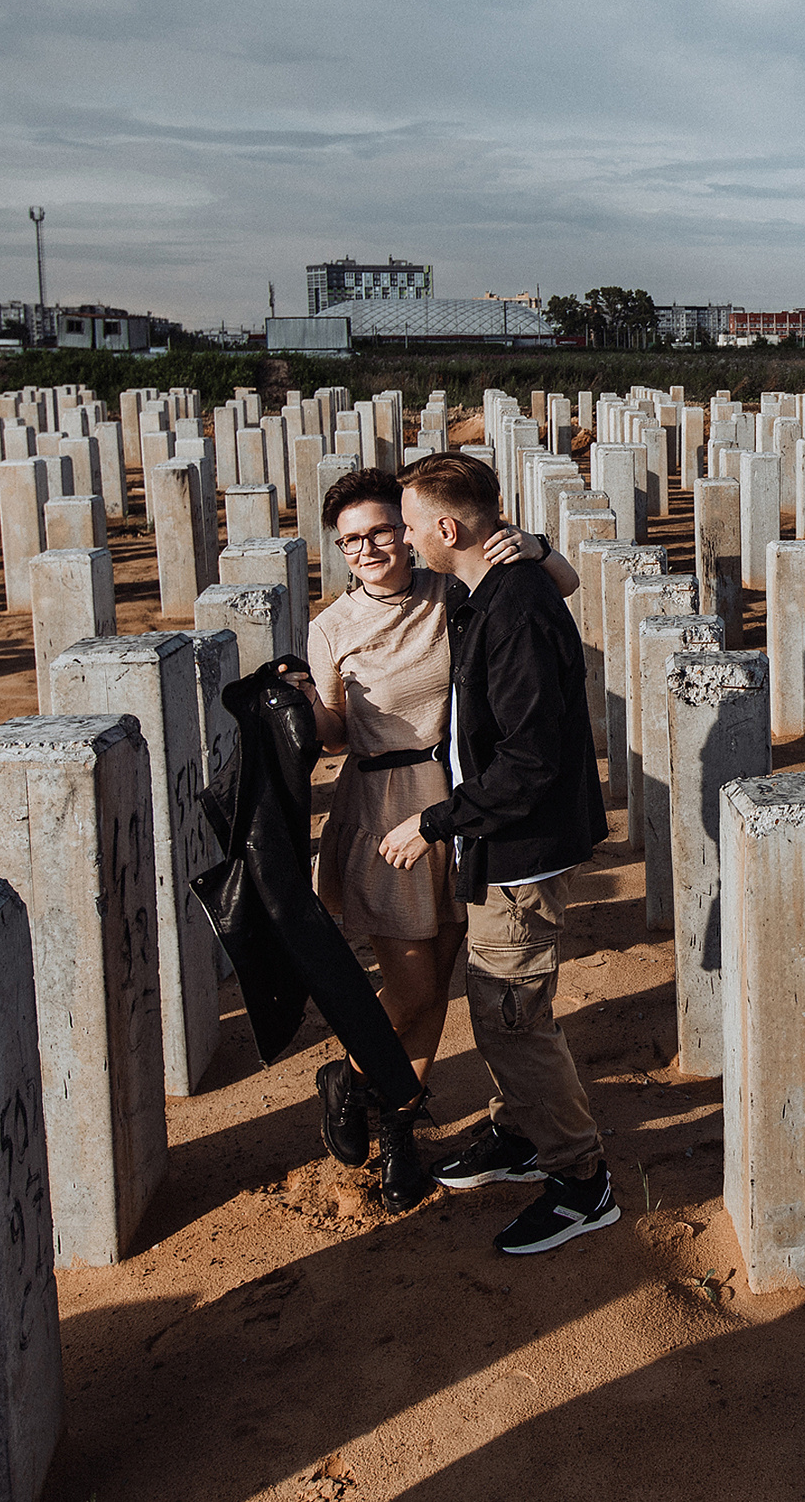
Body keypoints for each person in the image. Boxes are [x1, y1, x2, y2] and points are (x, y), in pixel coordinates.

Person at [300, 467, 577, 1212]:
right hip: (387, 809)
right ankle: (353, 1078)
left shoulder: (450, 590)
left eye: (382, 530)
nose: (367, 548)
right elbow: (333, 734)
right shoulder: (330, 627)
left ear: (414, 529)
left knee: (441, 987)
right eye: (350, 539)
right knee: (416, 984)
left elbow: (563, 583)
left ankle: (398, 1129)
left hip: (458, 801)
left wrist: (535, 543)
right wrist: (300, 709)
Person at [379, 451, 617, 1255]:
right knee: (506, 1008)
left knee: (513, 1019)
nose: (406, 542)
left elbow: (529, 760)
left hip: (518, 849)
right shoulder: (489, 586)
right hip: (502, 842)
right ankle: (520, 1134)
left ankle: (583, 1181)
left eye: (412, 527)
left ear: (448, 528)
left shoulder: (512, 607)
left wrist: (436, 822)